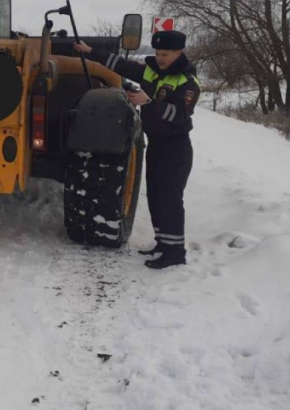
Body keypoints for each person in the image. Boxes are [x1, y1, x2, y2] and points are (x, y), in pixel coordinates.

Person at [74, 30, 200, 270]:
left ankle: (175, 252)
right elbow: (120, 64)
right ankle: (163, 243)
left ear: (179, 52)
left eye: (166, 54)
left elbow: (179, 114)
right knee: (155, 196)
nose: (160, 58)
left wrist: (148, 102)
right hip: (156, 144)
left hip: (176, 146)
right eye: (158, 53)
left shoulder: (188, 82)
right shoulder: (152, 71)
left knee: (170, 199)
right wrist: (90, 51)